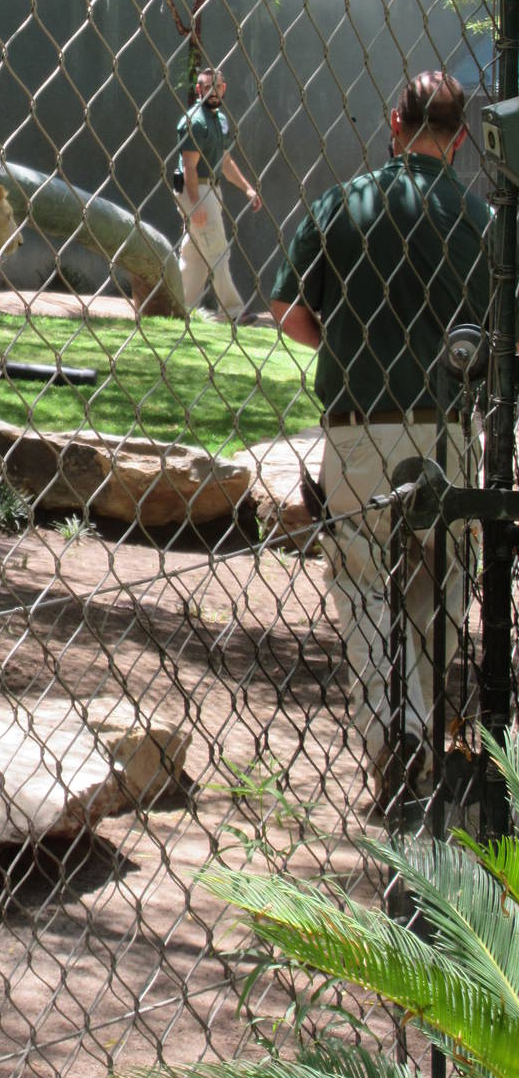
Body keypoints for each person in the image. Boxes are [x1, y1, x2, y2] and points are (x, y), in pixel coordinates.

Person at [269, 71, 491, 808]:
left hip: (361, 427)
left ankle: (393, 734)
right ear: (459, 139)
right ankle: (423, 742)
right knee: (445, 583)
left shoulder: (343, 203)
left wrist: (350, 340)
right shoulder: (481, 219)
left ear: (394, 122)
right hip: (451, 427)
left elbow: (287, 308)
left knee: (366, 587)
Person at [173, 66, 262, 321]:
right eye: (207, 86)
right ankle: (232, 311)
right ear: (198, 89)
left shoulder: (219, 120)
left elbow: (224, 161)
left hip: (211, 187)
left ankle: (179, 306)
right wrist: (195, 203)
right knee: (218, 249)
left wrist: (247, 188)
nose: (213, 91)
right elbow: (189, 166)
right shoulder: (195, 121)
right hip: (196, 188)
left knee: (195, 254)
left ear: (224, 89)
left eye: (218, 86)